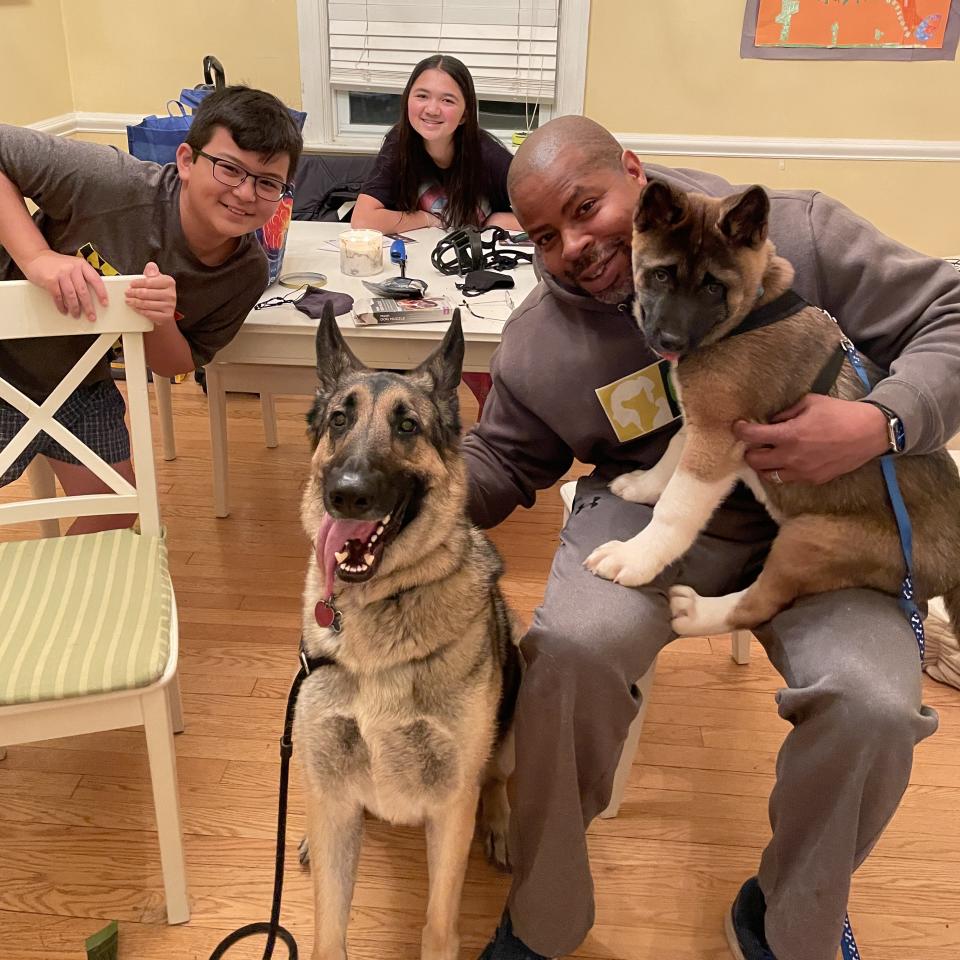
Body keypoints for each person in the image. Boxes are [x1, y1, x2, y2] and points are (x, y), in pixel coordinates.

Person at [463, 115, 960, 960]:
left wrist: (881, 421)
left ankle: (784, 919)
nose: (575, 245)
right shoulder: (542, 345)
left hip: (833, 518)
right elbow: (502, 459)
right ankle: (543, 918)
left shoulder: (793, 229)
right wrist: (400, 496)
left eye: (587, 208)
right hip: (651, 510)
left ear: (633, 174)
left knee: (874, 705)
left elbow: (952, 308)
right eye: (546, 236)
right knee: (570, 654)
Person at [0, 85, 303, 534]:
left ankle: (54, 594)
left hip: (77, 384)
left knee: (119, 508)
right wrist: (37, 258)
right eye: (229, 169)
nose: (244, 193)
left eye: (267, 182)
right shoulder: (110, 182)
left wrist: (159, 320)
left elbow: (178, 367)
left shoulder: (245, 273)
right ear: (186, 160)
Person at [351, 54, 521, 234]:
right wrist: (425, 219)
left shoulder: (489, 155)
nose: (432, 110)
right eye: (422, 96)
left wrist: (495, 220)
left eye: (447, 100)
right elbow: (363, 219)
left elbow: (551, 218)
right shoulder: (399, 143)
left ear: (465, 114)